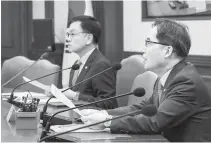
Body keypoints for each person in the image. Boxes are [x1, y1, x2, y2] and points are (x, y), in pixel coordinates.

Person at [80, 18, 211, 142]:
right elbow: (142, 108)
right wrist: (103, 113)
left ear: (167, 51)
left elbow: (155, 121)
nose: (143, 50)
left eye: (148, 43)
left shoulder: (186, 82)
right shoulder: (168, 77)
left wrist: (106, 121)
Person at [53, 16, 117, 109]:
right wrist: (58, 93)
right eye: (68, 34)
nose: (68, 39)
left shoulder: (100, 65)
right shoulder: (77, 63)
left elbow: (108, 103)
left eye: (72, 34)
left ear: (89, 38)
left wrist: (75, 96)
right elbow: (73, 95)